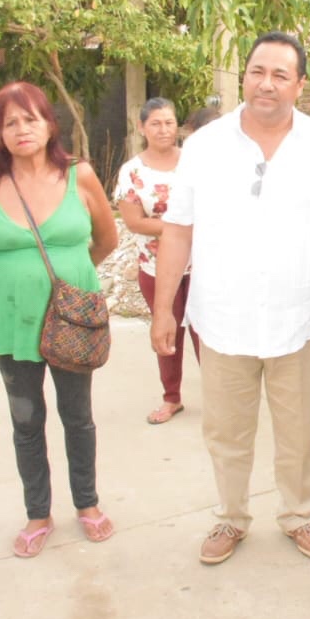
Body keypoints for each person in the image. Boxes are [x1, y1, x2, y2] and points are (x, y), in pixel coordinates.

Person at [150, 31, 310, 565]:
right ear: (244, 76)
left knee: (299, 433)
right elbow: (177, 230)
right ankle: (230, 517)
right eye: (257, 72)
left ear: (300, 85)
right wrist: (164, 310)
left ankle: (298, 514)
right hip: (223, 317)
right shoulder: (205, 146)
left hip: (302, 319)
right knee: (226, 432)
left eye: (280, 75)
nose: (266, 84)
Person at [0, 81, 118, 558]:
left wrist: (71, 283)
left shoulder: (79, 176)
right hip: (11, 322)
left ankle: (87, 503)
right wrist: (11, 287)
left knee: (78, 416)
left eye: (30, 119)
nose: (21, 129)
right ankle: (38, 513)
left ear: (50, 125)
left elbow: (106, 240)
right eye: (10, 122)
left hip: (72, 320)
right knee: (26, 419)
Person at [114, 97, 200, 424]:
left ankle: (221, 399)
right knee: (167, 332)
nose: (163, 130)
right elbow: (134, 221)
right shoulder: (132, 172)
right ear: (141, 128)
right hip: (155, 266)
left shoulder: (195, 162)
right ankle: (171, 397)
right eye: (155, 124)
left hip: (202, 265)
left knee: (207, 333)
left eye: (169, 122)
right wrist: (179, 227)